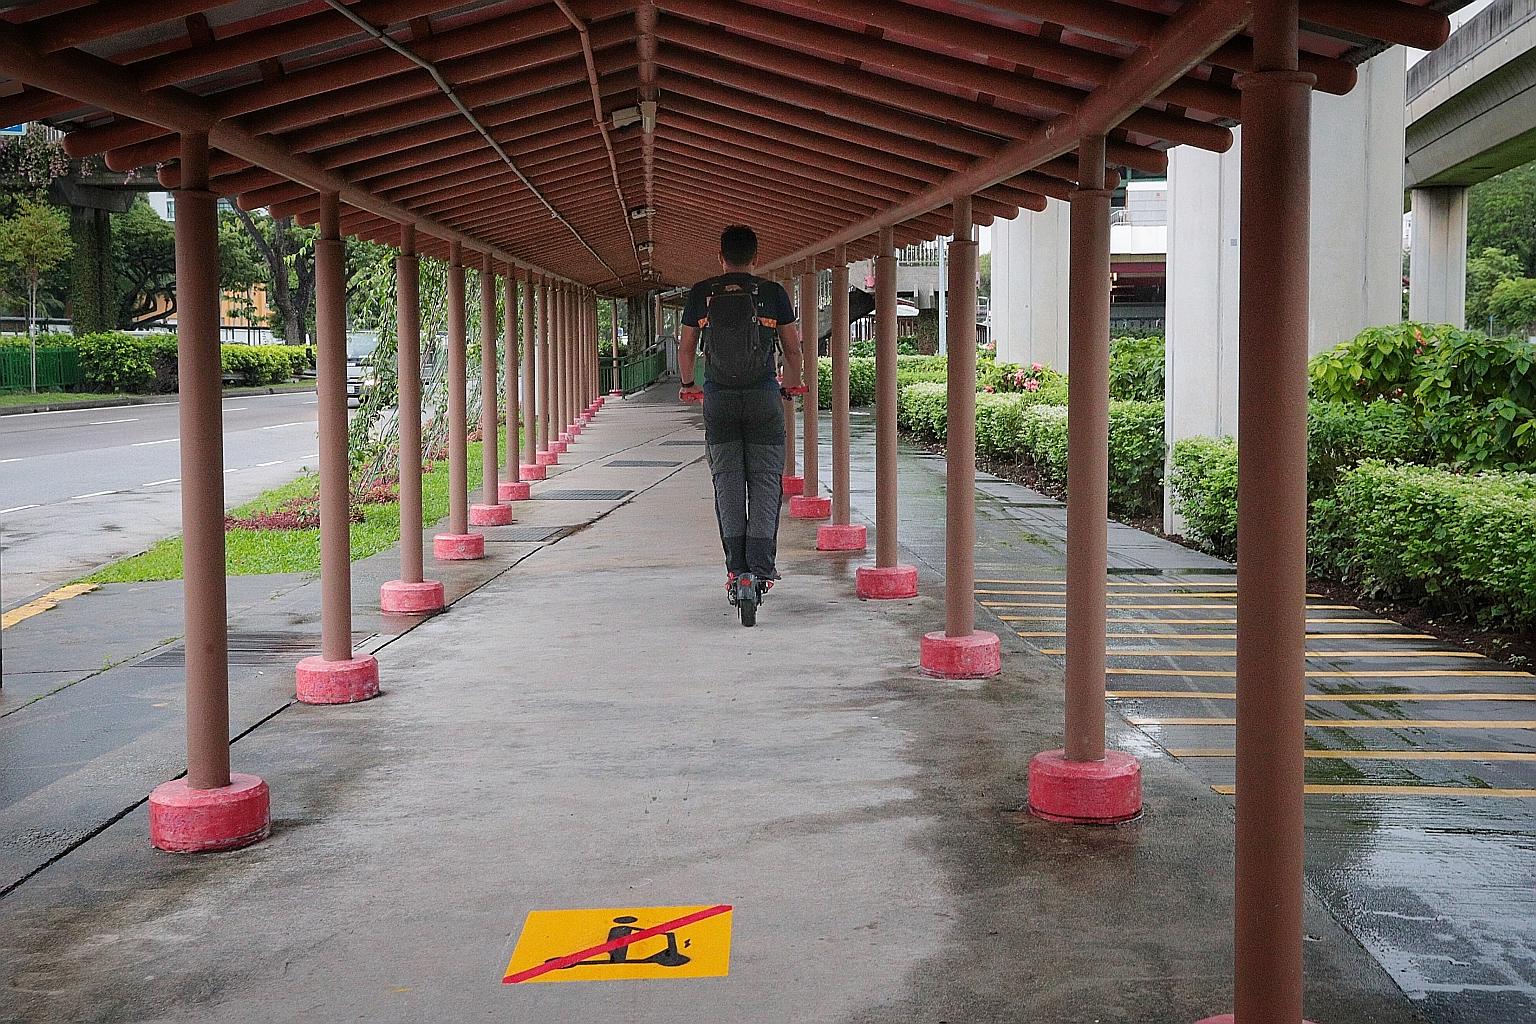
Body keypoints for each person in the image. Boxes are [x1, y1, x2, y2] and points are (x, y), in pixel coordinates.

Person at [679, 225, 805, 592]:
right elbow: (793, 351)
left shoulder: (702, 294)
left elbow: (687, 348)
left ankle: (737, 570)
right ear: (755, 258)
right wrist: (789, 386)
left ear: (720, 258)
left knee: (728, 483)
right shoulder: (773, 294)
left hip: (719, 401)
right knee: (766, 483)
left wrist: (689, 385)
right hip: (764, 399)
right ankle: (761, 567)